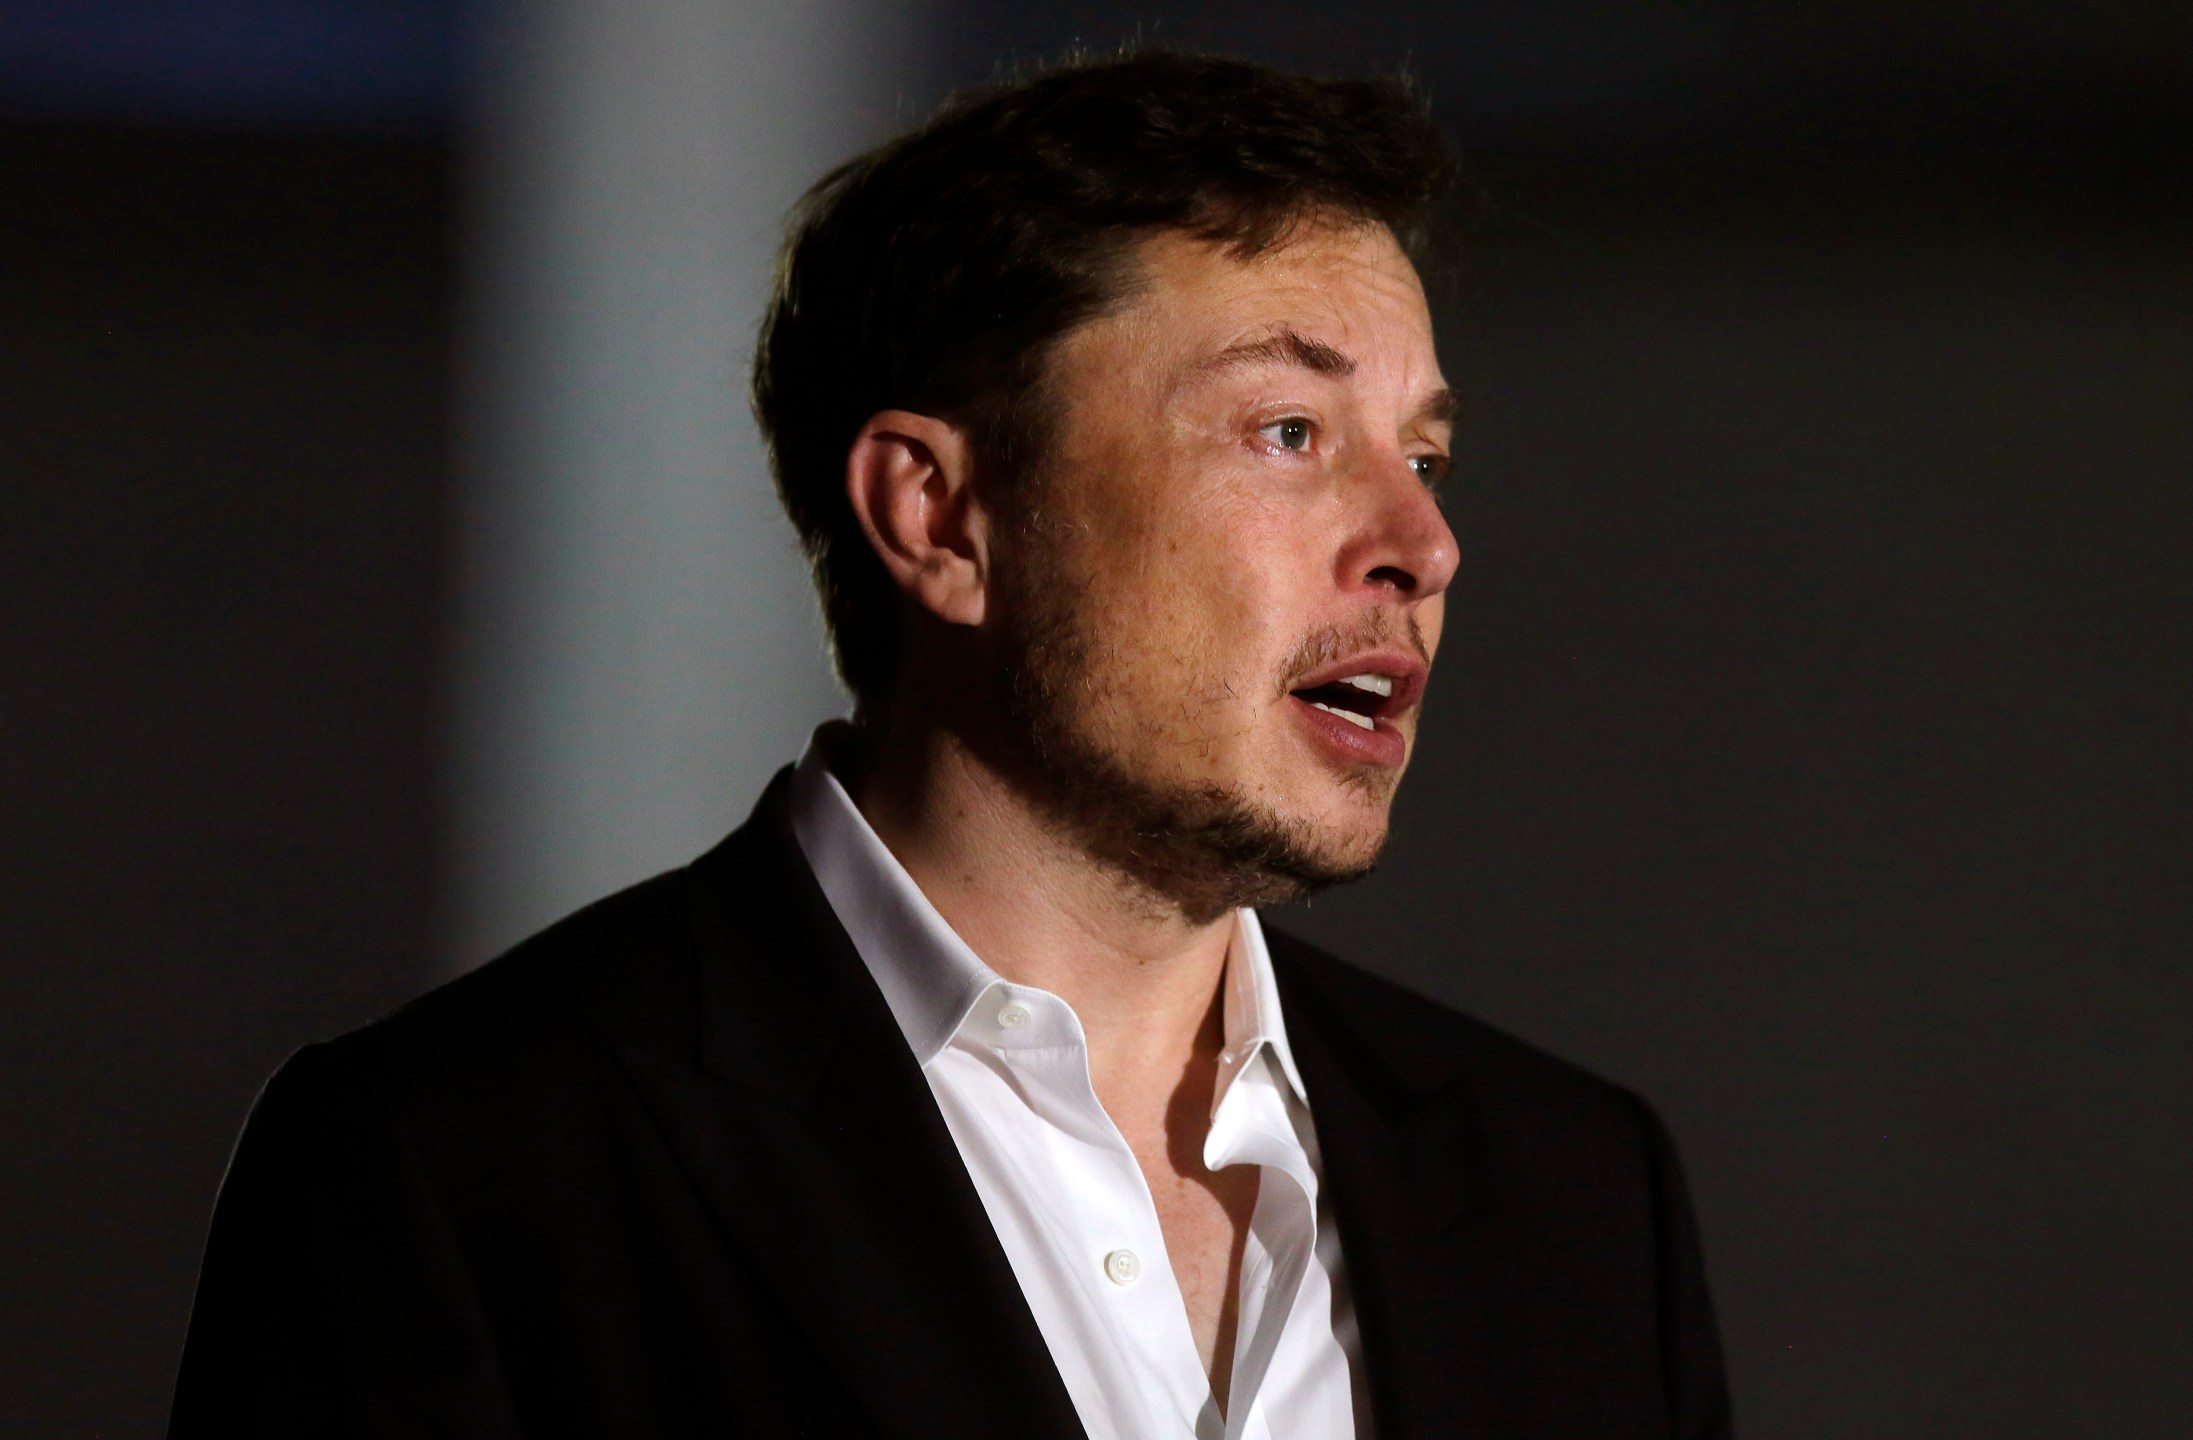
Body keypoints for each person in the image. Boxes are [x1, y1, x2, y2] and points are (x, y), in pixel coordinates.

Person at [170, 49, 1730, 1439]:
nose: (1422, 542)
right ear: (941, 516)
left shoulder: (1570, 1195)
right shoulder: (462, 1175)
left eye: (1429, 454)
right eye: (1288, 432)